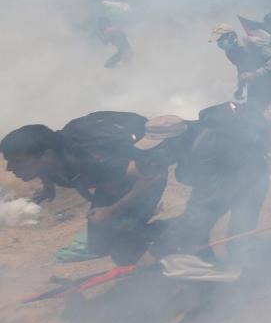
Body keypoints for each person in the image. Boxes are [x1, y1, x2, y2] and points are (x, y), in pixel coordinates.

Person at [0, 112, 166, 265]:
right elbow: (44, 168)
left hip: (144, 180)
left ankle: (167, 230)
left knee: (124, 255)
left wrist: (113, 210)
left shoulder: (95, 161)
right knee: (98, 246)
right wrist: (47, 186)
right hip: (112, 185)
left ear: (47, 156)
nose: (9, 168)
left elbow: (152, 177)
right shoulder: (51, 162)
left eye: (17, 161)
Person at [147, 103, 271, 259]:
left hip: (251, 182)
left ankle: (258, 272)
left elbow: (204, 201)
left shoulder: (202, 150)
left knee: (239, 243)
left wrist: (173, 239)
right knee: (198, 230)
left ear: (172, 139)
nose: (159, 151)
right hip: (231, 180)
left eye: (160, 146)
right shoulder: (190, 135)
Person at [210, 23, 271, 146]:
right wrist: (240, 88)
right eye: (217, 41)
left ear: (231, 36)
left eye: (220, 40)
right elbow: (241, 70)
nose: (219, 44)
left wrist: (256, 74)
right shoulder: (230, 52)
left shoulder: (253, 43)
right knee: (253, 116)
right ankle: (263, 142)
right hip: (255, 87)